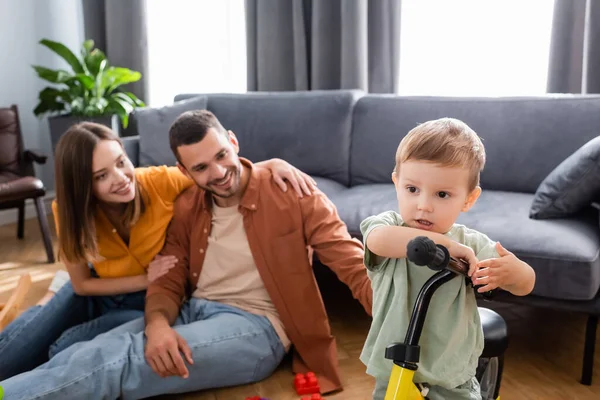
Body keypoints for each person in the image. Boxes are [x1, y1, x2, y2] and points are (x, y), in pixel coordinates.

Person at [0, 110, 373, 400]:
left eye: (222, 155)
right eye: (201, 168)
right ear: (184, 170)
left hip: (258, 328)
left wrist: (408, 317)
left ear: (233, 141)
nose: (219, 172)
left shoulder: (294, 194)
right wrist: (158, 324)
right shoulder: (187, 204)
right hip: (192, 310)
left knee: (112, 361)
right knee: (84, 351)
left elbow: (351, 263)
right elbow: (170, 276)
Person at [360, 117, 536, 400]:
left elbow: (526, 284)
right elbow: (377, 241)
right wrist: (445, 246)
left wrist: (513, 272)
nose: (424, 205)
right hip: (393, 367)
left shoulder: (472, 244)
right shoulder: (388, 227)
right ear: (397, 184)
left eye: (442, 194)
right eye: (412, 189)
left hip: (453, 375)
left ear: (468, 199)